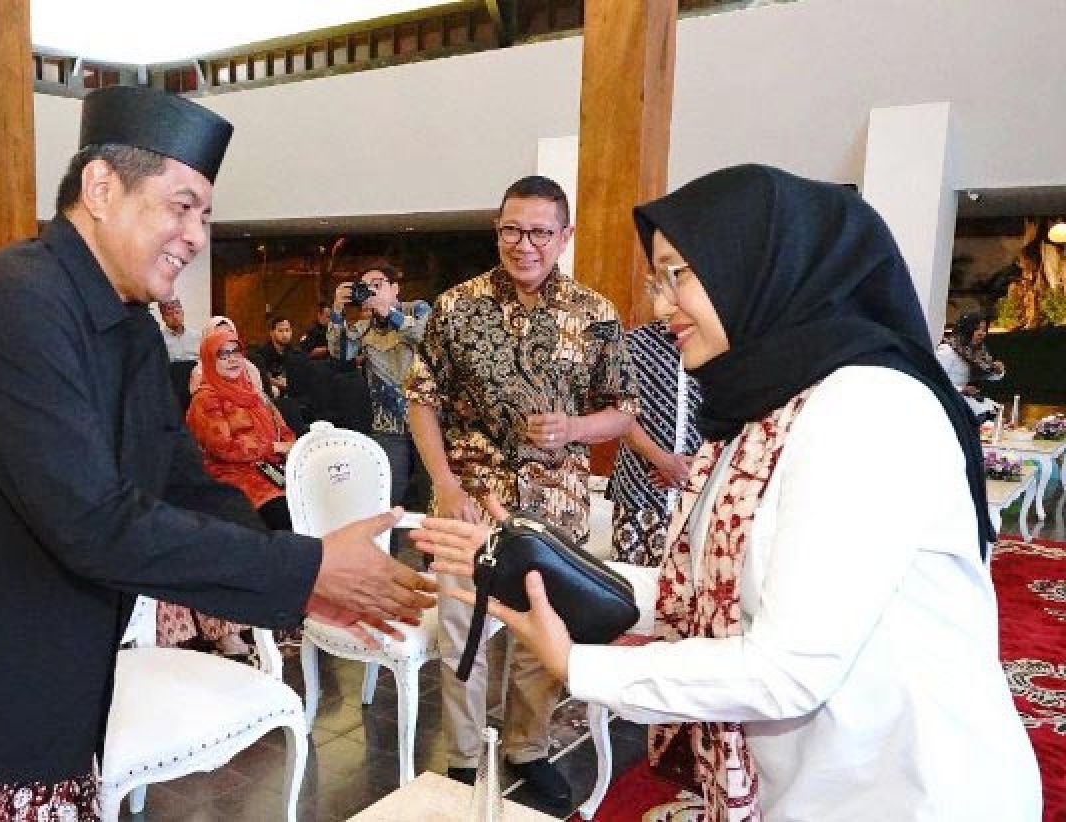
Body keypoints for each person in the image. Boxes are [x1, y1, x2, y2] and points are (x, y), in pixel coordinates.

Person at [0, 85, 435, 818]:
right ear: (101, 188)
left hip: (35, 677)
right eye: (182, 206)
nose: (196, 235)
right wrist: (306, 569)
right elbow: (93, 521)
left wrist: (303, 573)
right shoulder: (11, 304)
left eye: (204, 215)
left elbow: (176, 479)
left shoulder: (128, 322)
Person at [440, 165, 1040, 821]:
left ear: (759, 267)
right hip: (817, 788)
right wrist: (540, 566)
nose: (662, 305)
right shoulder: (763, 416)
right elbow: (700, 592)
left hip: (912, 794)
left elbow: (787, 670)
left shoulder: (867, 409)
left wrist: (579, 666)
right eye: (658, 281)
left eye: (678, 275)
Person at [405, 175, 639, 811]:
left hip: (556, 505)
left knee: (541, 638)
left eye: (540, 232)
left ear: (564, 236)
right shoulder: (456, 307)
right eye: (512, 229)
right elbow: (420, 399)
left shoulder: (595, 313)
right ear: (497, 230)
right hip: (468, 502)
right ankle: (461, 758)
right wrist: (444, 482)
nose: (524, 244)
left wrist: (574, 428)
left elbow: (624, 411)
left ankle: (527, 748)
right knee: (463, 633)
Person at [330, 263, 432, 550]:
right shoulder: (364, 327)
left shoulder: (417, 310)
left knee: (434, 499)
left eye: (378, 284)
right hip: (388, 425)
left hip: (429, 423)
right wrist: (337, 311)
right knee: (384, 500)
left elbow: (427, 337)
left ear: (395, 288)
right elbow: (340, 354)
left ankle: (435, 565)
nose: (371, 291)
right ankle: (385, 560)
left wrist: (389, 312)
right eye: (366, 286)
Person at [608, 321, 702, 566]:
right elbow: (618, 413)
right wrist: (662, 460)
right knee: (630, 581)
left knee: (686, 579)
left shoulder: (715, 344)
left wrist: (700, 465)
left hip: (699, 490)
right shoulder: (630, 344)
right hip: (640, 487)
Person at [187, 326, 295, 531]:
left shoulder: (253, 393)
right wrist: (273, 447)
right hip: (234, 475)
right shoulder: (205, 400)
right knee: (286, 514)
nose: (232, 359)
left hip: (272, 467)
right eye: (223, 354)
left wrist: (291, 447)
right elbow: (223, 447)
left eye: (235, 352)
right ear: (209, 360)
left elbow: (282, 429)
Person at [936, 311, 1005, 423]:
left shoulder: (978, 353)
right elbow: (935, 379)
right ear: (966, 330)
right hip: (947, 404)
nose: (981, 333)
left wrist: (998, 371)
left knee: (993, 414)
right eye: (977, 329)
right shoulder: (947, 350)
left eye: (984, 330)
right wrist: (961, 389)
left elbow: (989, 374)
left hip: (965, 401)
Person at [157, 297, 202, 411]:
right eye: (169, 314)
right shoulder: (158, 339)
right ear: (163, 317)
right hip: (172, 389)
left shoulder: (197, 337)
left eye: (177, 312)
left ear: (182, 312)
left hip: (196, 386)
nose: (175, 317)